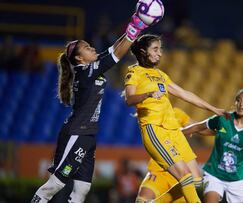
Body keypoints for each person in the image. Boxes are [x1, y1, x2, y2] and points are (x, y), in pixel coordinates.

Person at [31, 8, 152, 203]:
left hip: (88, 135)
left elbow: (114, 49)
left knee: (82, 189)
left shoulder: (89, 68)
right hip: (76, 132)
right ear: (79, 58)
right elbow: (117, 55)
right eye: (87, 48)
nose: (93, 48)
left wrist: (135, 23)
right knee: (55, 185)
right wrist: (137, 27)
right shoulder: (86, 71)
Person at [124, 34, 227, 203]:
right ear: (143, 52)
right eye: (155, 49)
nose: (160, 53)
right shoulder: (134, 72)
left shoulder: (160, 75)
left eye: (161, 49)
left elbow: (185, 94)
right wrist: (148, 94)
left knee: (195, 179)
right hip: (155, 128)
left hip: (173, 130)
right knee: (185, 176)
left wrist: (213, 108)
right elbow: (129, 99)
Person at [182, 88, 243, 203]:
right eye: (238, 100)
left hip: (238, 179)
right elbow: (198, 127)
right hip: (214, 174)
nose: (241, 104)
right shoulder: (223, 118)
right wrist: (177, 133)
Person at [136, 107, 203, 203]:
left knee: (194, 181)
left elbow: (198, 127)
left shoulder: (177, 113)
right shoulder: (150, 115)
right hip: (159, 171)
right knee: (142, 200)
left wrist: (217, 125)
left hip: (181, 171)